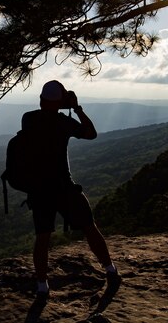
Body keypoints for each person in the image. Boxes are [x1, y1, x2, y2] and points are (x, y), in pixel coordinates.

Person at [22, 79, 121, 299]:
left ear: (40, 99)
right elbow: (91, 133)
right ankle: (110, 270)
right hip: (64, 187)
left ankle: (42, 287)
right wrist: (76, 108)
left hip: (38, 190)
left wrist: (58, 105)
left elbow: (44, 117)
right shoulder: (63, 123)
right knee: (89, 227)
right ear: (60, 102)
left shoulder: (28, 119)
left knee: (43, 237)